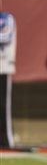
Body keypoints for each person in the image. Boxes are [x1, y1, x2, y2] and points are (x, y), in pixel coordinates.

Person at [0, 12, 16, 148]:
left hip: (3, 67)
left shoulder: (7, 19)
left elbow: (6, 36)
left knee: (3, 106)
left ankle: (6, 141)